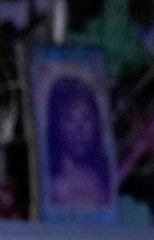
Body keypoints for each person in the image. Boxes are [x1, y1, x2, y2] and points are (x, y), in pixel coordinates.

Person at [44, 75, 113, 213]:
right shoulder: (53, 183)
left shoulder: (103, 178)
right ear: (56, 124)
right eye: (69, 119)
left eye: (86, 118)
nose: (79, 130)